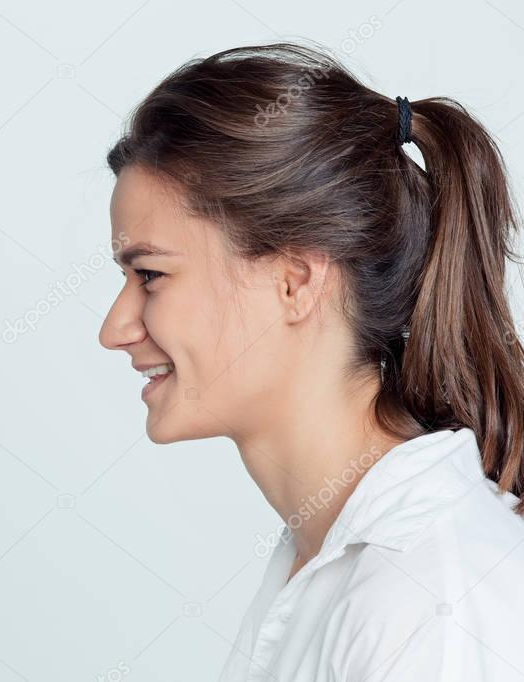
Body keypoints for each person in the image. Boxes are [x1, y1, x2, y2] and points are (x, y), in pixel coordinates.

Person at [99, 43, 524, 680]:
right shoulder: (326, 560)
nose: (115, 329)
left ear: (296, 281)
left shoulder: (431, 602)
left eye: (151, 275)